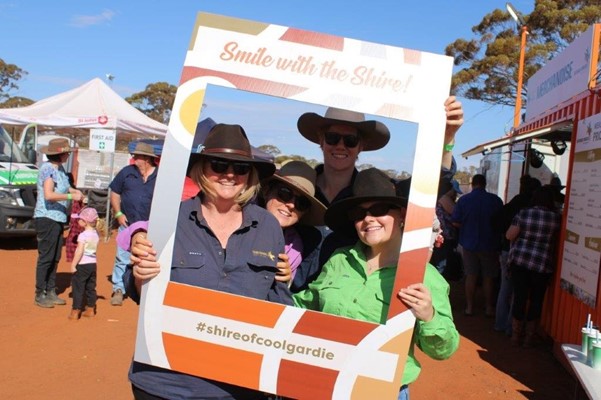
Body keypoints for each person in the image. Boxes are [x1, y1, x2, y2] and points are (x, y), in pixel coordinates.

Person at [125, 123, 292, 400]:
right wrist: (142, 275)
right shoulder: (168, 218)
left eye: (240, 168)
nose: (230, 174)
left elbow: (278, 301)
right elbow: (143, 293)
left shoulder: (268, 226)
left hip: (239, 385)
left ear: (250, 175)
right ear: (201, 168)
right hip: (167, 383)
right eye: (219, 164)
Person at [293, 168, 459, 400]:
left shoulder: (423, 275)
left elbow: (444, 350)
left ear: (402, 214)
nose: (368, 219)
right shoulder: (340, 259)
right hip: (329, 382)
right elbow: (307, 304)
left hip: (383, 391)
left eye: (379, 209)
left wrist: (429, 315)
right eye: (358, 213)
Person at [295, 96, 465, 289]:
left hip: (347, 302)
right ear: (321, 140)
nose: (340, 146)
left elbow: (433, 182)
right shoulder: (294, 194)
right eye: (332, 138)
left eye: (350, 140)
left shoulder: (378, 194)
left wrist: (447, 140)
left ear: (361, 146)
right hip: (291, 300)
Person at [506, 186, 561, 347]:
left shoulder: (524, 213)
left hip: (521, 261)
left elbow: (510, 235)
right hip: (543, 263)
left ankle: (516, 336)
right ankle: (529, 338)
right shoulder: (555, 218)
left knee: (520, 297)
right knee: (537, 300)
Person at [259, 161, 326, 291]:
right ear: (267, 191)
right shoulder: (238, 222)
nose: (291, 205)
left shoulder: (295, 248)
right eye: (285, 194)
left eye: (301, 203)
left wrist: (286, 281)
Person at [33, 138, 84, 308]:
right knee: (46, 257)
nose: (68, 155)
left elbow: (65, 187)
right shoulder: (48, 169)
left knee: (55, 256)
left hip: (58, 217)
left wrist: (74, 191)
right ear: (59, 153)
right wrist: (71, 197)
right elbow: (49, 194)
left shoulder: (59, 169)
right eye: (66, 152)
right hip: (46, 217)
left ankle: (50, 290)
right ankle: (40, 293)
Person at [108, 141, 158, 306]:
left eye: (137, 156)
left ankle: (147, 291)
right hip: (127, 224)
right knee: (122, 257)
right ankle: (118, 289)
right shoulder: (127, 173)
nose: (134, 159)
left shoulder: (160, 175)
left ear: (147, 159)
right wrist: (118, 213)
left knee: (148, 258)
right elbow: (115, 193)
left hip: (150, 227)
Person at [492, 175, 541, 335]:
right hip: (535, 260)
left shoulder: (513, 204)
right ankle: (510, 329)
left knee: (506, 289)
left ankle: (501, 325)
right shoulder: (541, 212)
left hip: (509, 252)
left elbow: (500, 226)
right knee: (518, 294)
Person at [451, 174, 503, 317]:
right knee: (488, 277)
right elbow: (501, 222)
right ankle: (488, 308)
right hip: (490, 244)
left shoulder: (463, 200)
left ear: (473, 184)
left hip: (469, 244)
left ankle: (469, 307)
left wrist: (466, 226)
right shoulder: (496, 201)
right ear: (485, 184)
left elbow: (455, 221)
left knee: (471, 275)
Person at [68, 207, 106, 320]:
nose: (77, 221)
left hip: (82, 265)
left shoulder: (83, 235)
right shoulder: (96, 234)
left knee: (78, 288)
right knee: (91, 287)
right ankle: (90, 309)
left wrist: (73, 264)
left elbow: (79, 251)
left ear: (85, 222)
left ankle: (75, 311)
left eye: (79, 219)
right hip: (92, 265)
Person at [430, 179, 462, 274]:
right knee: (441, 264)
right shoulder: (444, 198)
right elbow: (456, 214)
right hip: (443, 237)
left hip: (441, 236)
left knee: (439, 263)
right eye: (454, 191)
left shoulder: (439, 198)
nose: (454, 194)